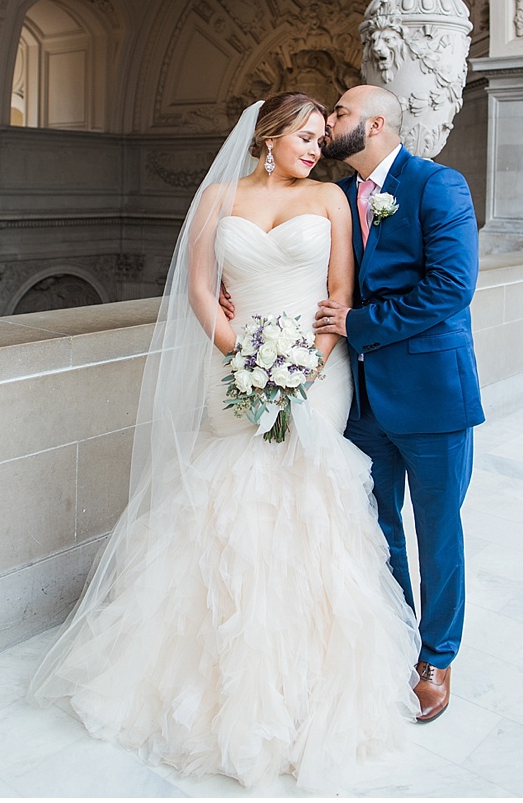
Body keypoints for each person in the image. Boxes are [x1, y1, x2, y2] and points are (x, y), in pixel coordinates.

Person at [29, 93, 421, 792]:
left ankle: (306, 684)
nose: (314, 147)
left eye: (318, 137)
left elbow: (340, 293)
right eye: (303, 136)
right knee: (228, 495)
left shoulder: (332, 200)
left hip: (314, 373)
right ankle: (209, 671)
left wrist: (305, 363)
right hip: (232, 363)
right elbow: (201, 289)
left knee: (305, 500)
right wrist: (241, 353)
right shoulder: (218, 196)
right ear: (268, 138)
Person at [315, 84, 482, 723]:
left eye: (340, 114)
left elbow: (450, 288)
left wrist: (359, 324)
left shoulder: (438, 186)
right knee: (378, 525)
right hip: (362, 401)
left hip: (433, 393)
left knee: (437, 529)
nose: (330, 123)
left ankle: (437, 656)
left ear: (376, 124)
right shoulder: (339, 197)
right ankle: (397, 636)